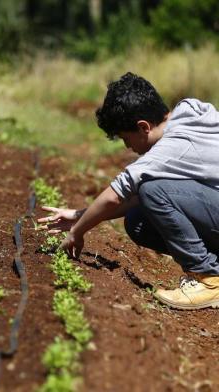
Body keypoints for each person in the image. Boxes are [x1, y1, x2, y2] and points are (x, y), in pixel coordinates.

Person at [39, 72, 219, 310]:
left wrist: (76, 232)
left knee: (153, 190)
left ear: (143, 127)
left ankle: (209, 280)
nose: (128, 147)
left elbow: (117, 194)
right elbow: (134, 199)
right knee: (138, 220)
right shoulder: (190, 110)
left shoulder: (169, 149)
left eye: (126, 138)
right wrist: (79, 216)